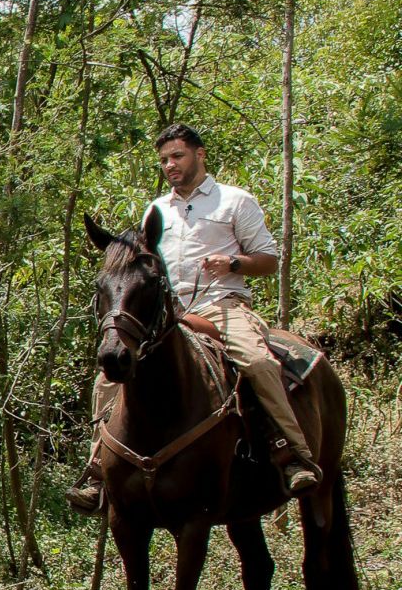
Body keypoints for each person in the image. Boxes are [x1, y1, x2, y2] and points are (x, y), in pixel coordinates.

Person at [68, 123, 320, 512]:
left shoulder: (234, 201)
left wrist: (234, 262)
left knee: (256, 362)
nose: (170, 165)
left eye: (178, 156)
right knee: (107, 379)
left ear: (199, 155)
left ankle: (292, 455)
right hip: (170, 314)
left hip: (224, 306)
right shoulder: (156, 210)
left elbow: (269, 260)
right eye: (165, 160)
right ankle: (98, 471)